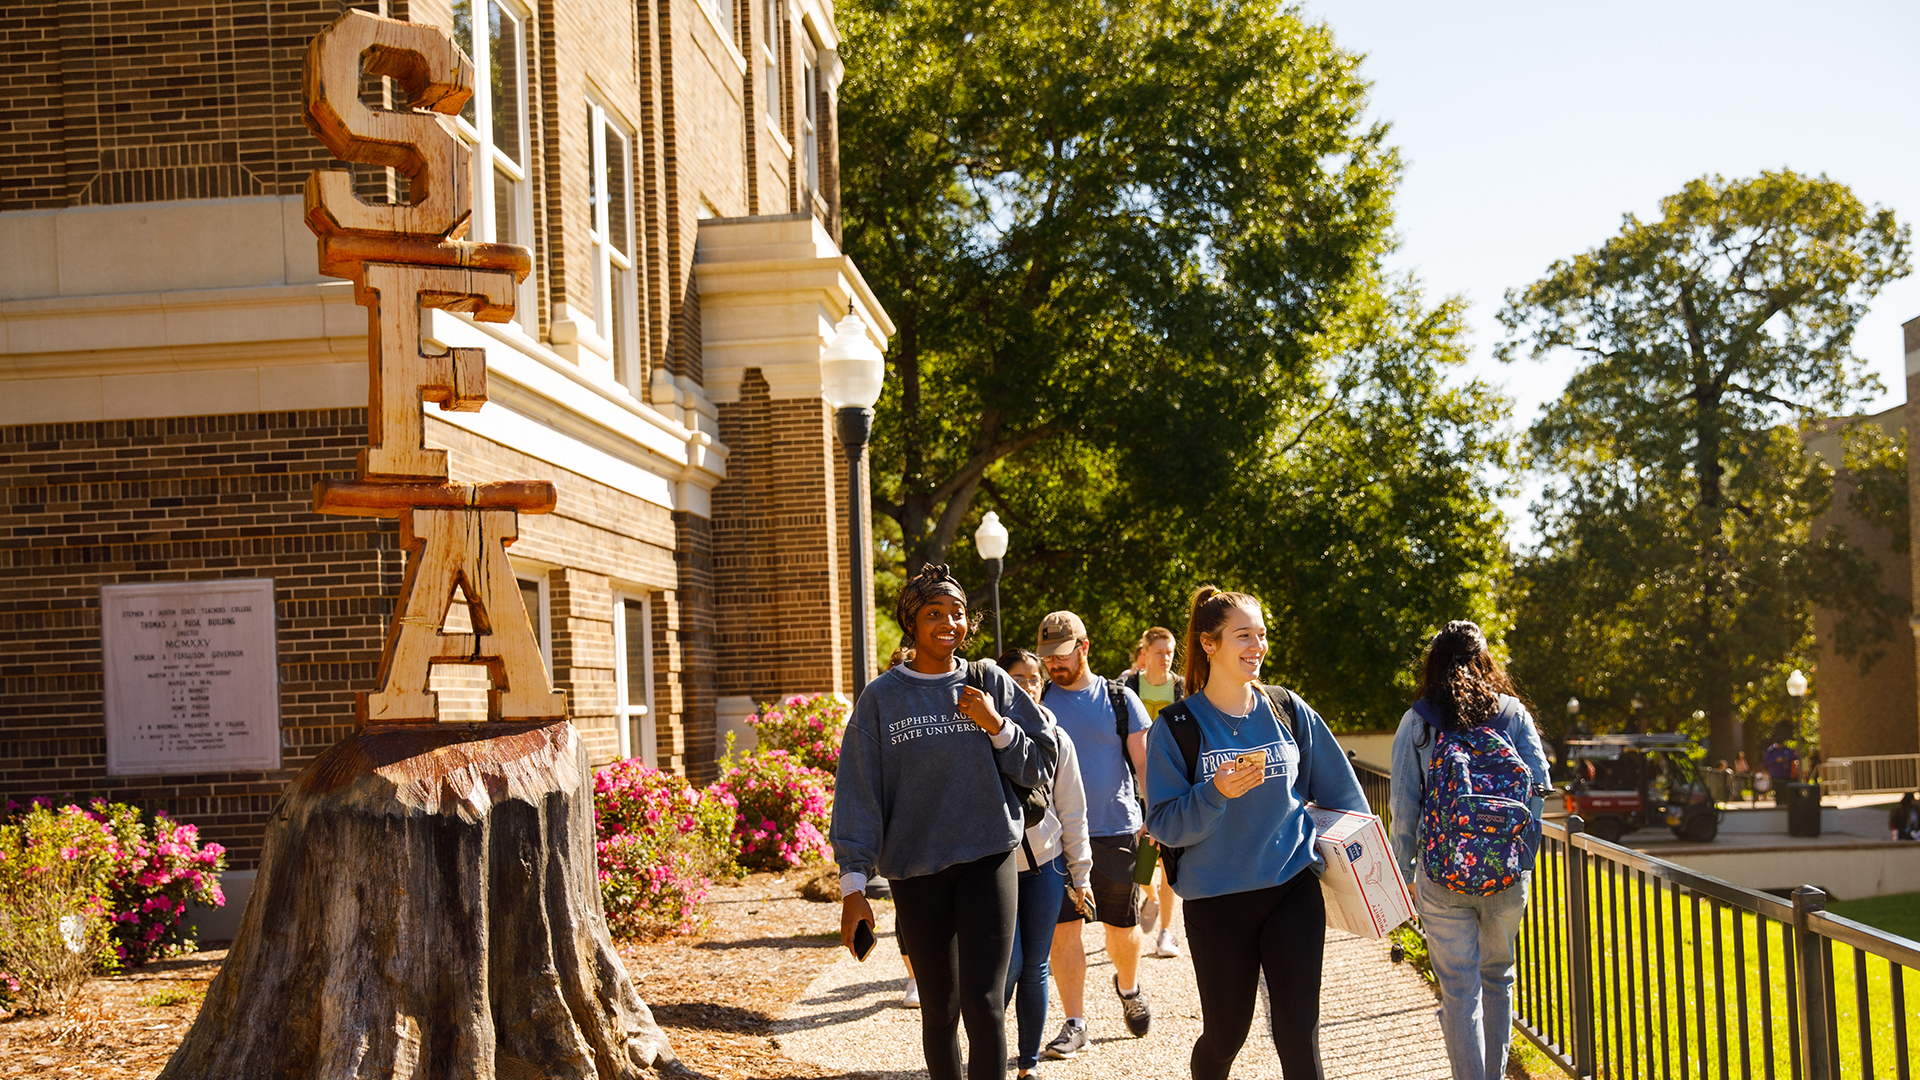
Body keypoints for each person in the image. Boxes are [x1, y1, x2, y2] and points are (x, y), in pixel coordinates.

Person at [830, 565, 1057, 1080]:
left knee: (985, 1003)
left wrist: (997, 725)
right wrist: (853, 885)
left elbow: (1042, 761)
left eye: (957, 613)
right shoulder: (882, 699)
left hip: (989, 856)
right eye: (935, 614)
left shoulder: (990, 681)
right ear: (911, 623)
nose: (949, 623)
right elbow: (860, 793)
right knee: (939, 1009)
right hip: (917, 869)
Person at [1144, 586, 1368, 1080]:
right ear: (1209, 644)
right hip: (1217, 902)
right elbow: (1163, 824)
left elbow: (1344, 796)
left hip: (1292, 890)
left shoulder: (1287, 708)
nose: (1257, 646)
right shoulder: (1176, 727)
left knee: (1297, 1033)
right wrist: (1214, 793)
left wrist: (1373, 869)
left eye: (1261, 635)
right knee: (1227, 1035)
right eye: (1243, 635)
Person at [1388, 621, 1551, 1080]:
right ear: (1485, 661)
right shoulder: (1512, 713)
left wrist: (1402, 880)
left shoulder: (1419, 720)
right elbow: (1539, 786)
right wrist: (1521, 856)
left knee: (1459, 990)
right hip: (1504, 875)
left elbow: (1404, 807)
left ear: (1433, 665)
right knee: (1497, 978)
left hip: (1441, 877)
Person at [1036, 610, 1155, 1059]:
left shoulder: (1121, 700)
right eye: (1047, 656)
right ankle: (1075, 1023)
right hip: (1058, 838)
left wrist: (1153, 813)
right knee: (1064, 932)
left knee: (1121, 929)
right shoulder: (1039, 701)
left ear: (1084, 647)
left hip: (1116, 831)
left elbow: (1143, 765)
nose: (1053, 664)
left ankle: (1129, 988)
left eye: (1061, 655)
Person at [999, 648, 1094, 1078]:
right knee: (1008, 964)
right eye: (1015, 678)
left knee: (1035, 965)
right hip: (996, 869)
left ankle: (1028, 1064)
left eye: (1033, 679)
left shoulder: (1056, 737)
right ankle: (990, 1053)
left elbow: (1073, 812)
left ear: (1042, 684)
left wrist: (1081, 875)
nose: (1026, 685)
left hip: (1048, 866)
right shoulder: (978, 735)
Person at [1122, 627, 1186, 959]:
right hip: (1134, 783)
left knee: (1170, 856)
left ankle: (1164, 934)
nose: (1166, 658)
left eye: (1170, 652)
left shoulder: (1181, 688)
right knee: (1141, 860)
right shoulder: (1128, 687)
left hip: (1173, 782)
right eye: (1159, 652)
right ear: (1144, 653)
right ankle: (1152, 895)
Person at [1764, 724, 1799, 806]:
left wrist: (1785, 758)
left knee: (1785, 790)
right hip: (1776, 774)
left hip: (1785, 774)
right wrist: (1775, 760)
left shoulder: (1786, 750)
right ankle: (1778, 803)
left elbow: (1793, 757)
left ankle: (1786, 803)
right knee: (1778, 790)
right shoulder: (1771, 751)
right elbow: (1766, 761)